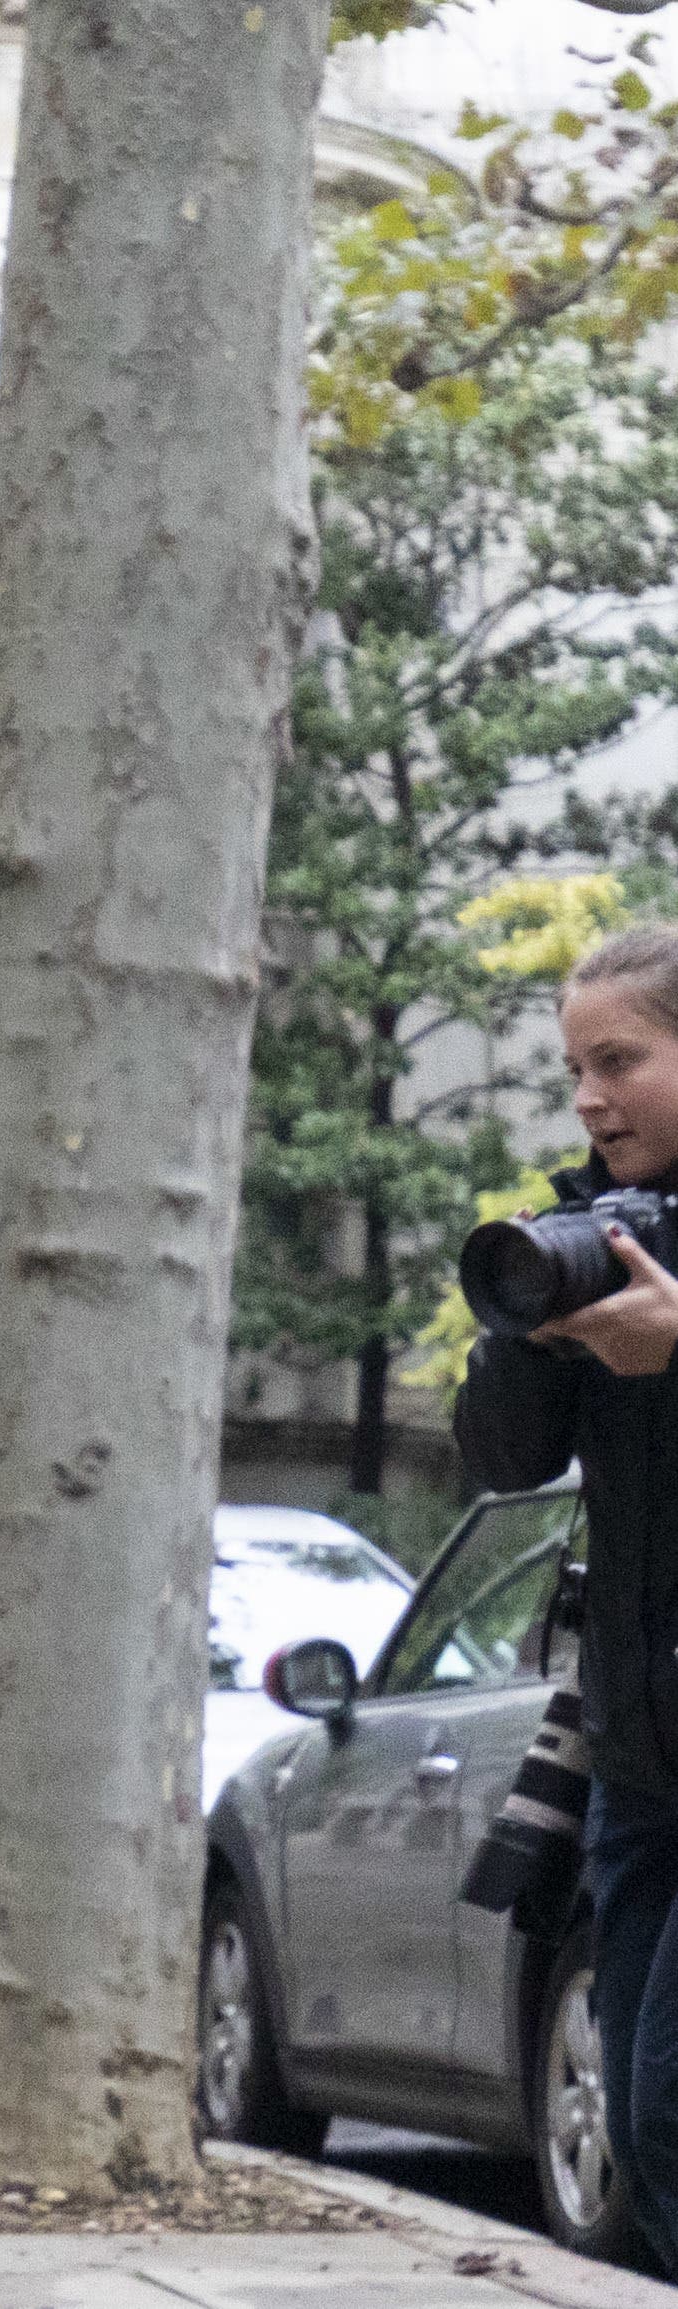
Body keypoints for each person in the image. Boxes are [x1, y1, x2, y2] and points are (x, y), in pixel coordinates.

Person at [461, 922, 678, 2266]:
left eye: (623, 1060)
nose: (591, 1095)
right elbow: (500, 1460)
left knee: (665, 2099)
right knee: (648, 2135)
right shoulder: (585, 1225)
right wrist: (533, 1326)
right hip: (642, 1764)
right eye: (574, 1067)